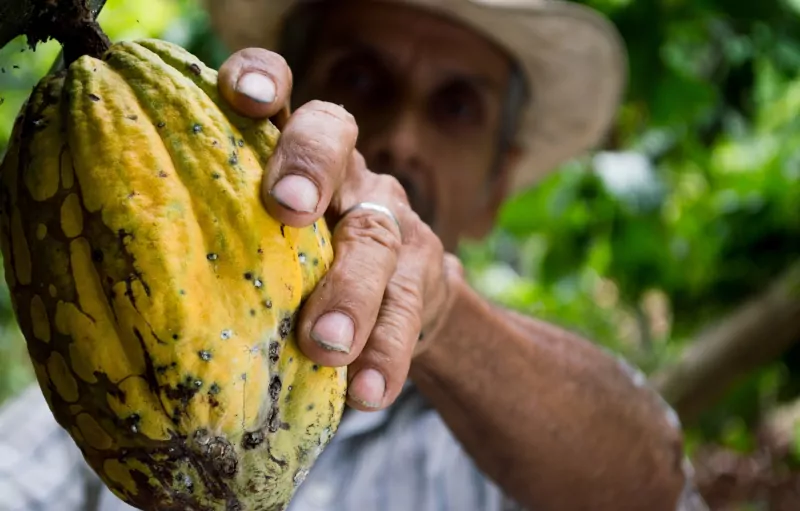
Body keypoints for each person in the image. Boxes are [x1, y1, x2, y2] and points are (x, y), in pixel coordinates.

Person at [0, 0, 710, 510]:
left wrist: (441, 315)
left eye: (457, 106)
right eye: (362, 79)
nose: (401, 136)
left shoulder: (516, 442)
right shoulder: (111, 372)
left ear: (499, 185)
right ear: (279, 104)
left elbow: (650, 482)